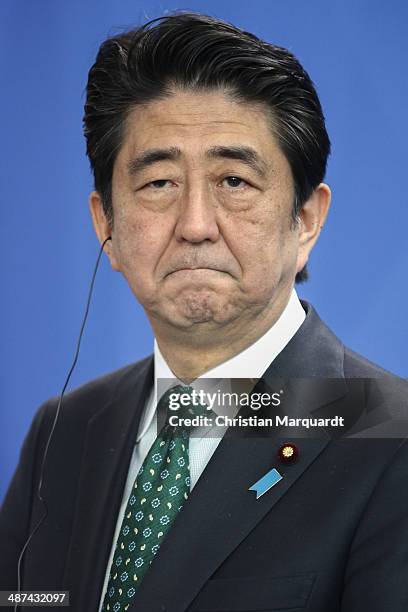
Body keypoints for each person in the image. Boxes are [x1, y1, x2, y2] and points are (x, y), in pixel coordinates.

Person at [1, 11, 407, 612]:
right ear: (105, 224)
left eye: (234, 181)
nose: (195, 225)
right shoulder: (62, 432)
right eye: (159, 182)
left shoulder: (389, 439)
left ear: (306, 220)